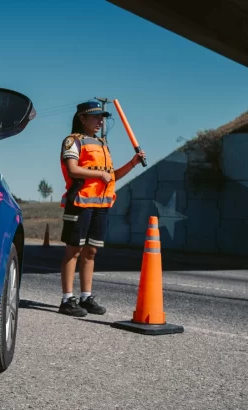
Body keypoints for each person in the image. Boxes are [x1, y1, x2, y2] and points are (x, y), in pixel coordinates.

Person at [57, 100, 146, 317]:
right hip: (80, 202)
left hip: (101, 204)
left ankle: (86, 297)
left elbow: (111, 176)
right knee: (73, 251)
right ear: (82, 118)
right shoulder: (72, 141)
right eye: (95, 117)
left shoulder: (102, 144)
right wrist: (99, 174)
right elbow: (73, 169)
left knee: (91, 251)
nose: (100, 121)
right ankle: (67, 299)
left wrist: (133, 163)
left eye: (102, 117)